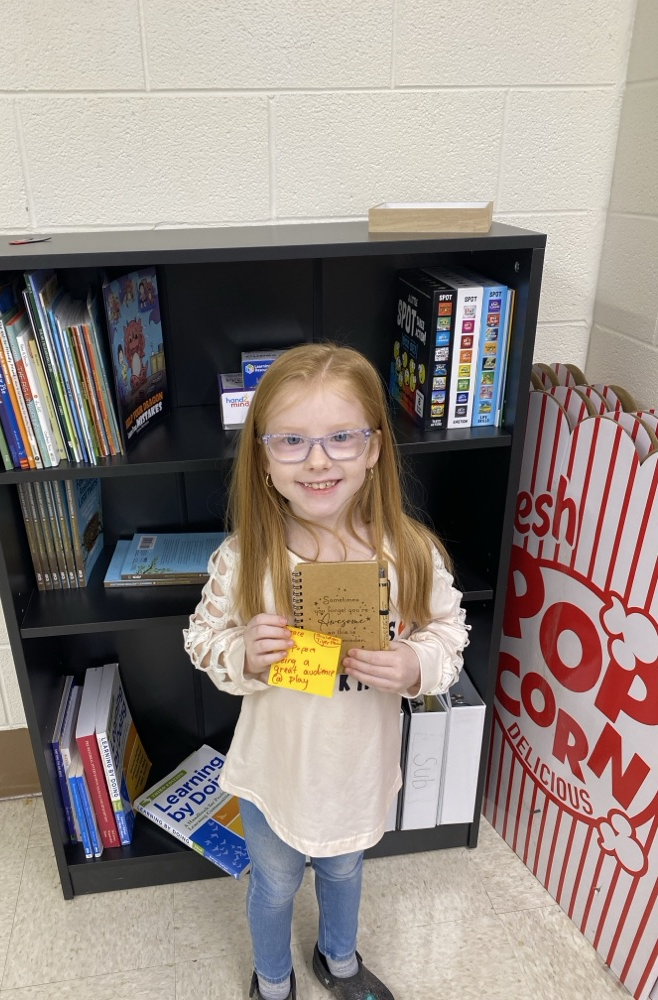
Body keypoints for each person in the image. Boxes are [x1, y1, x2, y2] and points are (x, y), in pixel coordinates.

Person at [183, 343, 469, 1000]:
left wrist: (413, 662)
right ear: (262, 459)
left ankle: (338, 960)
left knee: (344, 872)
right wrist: (243, 654)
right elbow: (203, 639)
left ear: (373, 450)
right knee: (276, 882)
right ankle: (273, 979)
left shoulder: (409, 554)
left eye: (342, 437)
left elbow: (449, 637)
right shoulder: (247, 558)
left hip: (357, 771)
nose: (318, 459)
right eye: (292, 441)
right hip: (276, 774)